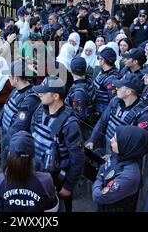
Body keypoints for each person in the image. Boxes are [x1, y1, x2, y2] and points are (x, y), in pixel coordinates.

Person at [30, 76, 85, 212]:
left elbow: (78, 159)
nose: (39, 94)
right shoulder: (39, 110)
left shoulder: (70, 123)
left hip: (57, 180)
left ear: (55, 96)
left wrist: (68, 186)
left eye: (44, 92)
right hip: (36, 173)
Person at [0, 60, 41, 166]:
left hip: (14, 144)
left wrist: (0, 144)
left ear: (16, 78)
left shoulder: (30, 99)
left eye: (9, 76)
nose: (8, 78)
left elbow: (19, 126)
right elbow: (5, 108)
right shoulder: (16, 90)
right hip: (5, 136)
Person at [87, 73, 148, 155]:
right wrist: (92, 140)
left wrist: (113, 157)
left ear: (129, 92)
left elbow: (135, 145)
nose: (116, 88)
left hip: (121, 155)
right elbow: (102, 122)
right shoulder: (115, 101)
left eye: (119, 87)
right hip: (106, 145)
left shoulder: (144, 115)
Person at [0, 131, 59, 212]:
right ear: (33, 155)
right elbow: (52, 206)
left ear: (9, 154)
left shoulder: (0, 180)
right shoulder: (46, 180)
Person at [92, 126, 148, 212]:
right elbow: (103, 167)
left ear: (127, 144)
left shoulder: (130, 175)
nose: (111, 140)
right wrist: (101, 178)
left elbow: (98, 197)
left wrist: (98, 180)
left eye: (115, 139)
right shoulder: (119, 154)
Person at [65, 57, 95, 140]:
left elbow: (79, 117)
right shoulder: (89, 80)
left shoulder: (79, 93)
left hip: (80, 131)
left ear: (71, 71)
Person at [93, 47, 122, 116]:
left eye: (99, 58)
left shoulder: (111, 79)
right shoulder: (103, 72)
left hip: (102, 113)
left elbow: (114, 101)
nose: (98, 60)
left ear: (103, 61)